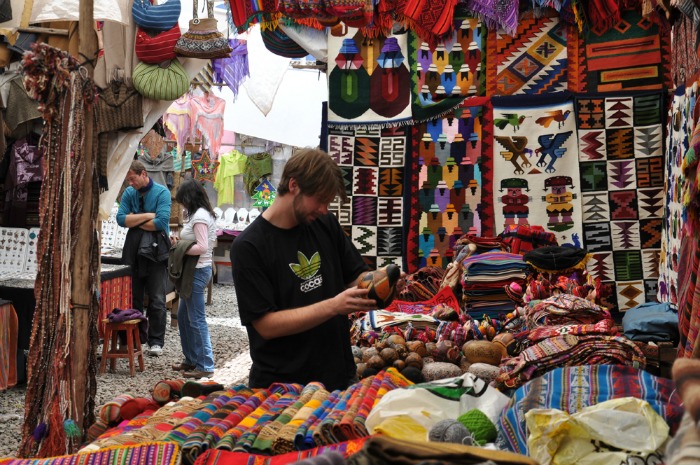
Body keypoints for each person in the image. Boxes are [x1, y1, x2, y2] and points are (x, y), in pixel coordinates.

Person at [230, 148, 378, 391]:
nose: (324, 209)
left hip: (338, 379)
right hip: (280, 389)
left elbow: (355, 276)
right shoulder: (248, 246)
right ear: (294, 185)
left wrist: (380, 280)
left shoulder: (325, 224)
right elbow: (266, 325)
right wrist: (333, 305)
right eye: (320, 200)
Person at [116, 160, 171, 357]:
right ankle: (136, 338)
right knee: (133, 295)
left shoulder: (162, 193)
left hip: (156, 250)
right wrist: (148, 215)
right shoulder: (130, 193)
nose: (130, 183)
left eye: (132, 179)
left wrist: (135, 220)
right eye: (128, 180)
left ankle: (156, 341)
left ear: (143, 174)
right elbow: (121, 219)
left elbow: (161, 222)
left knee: (157, 297)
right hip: (133, 248)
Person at [170, 179, 217, 378]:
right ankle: (191, 359)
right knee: (183, 316)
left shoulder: (199, 216)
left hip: (196, 271)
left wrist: (180, 245)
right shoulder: (200, 214)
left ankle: (205, 365)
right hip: (195, 270)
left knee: (196, 319)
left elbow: (202, 246)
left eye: (183, 200)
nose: (182, 205)